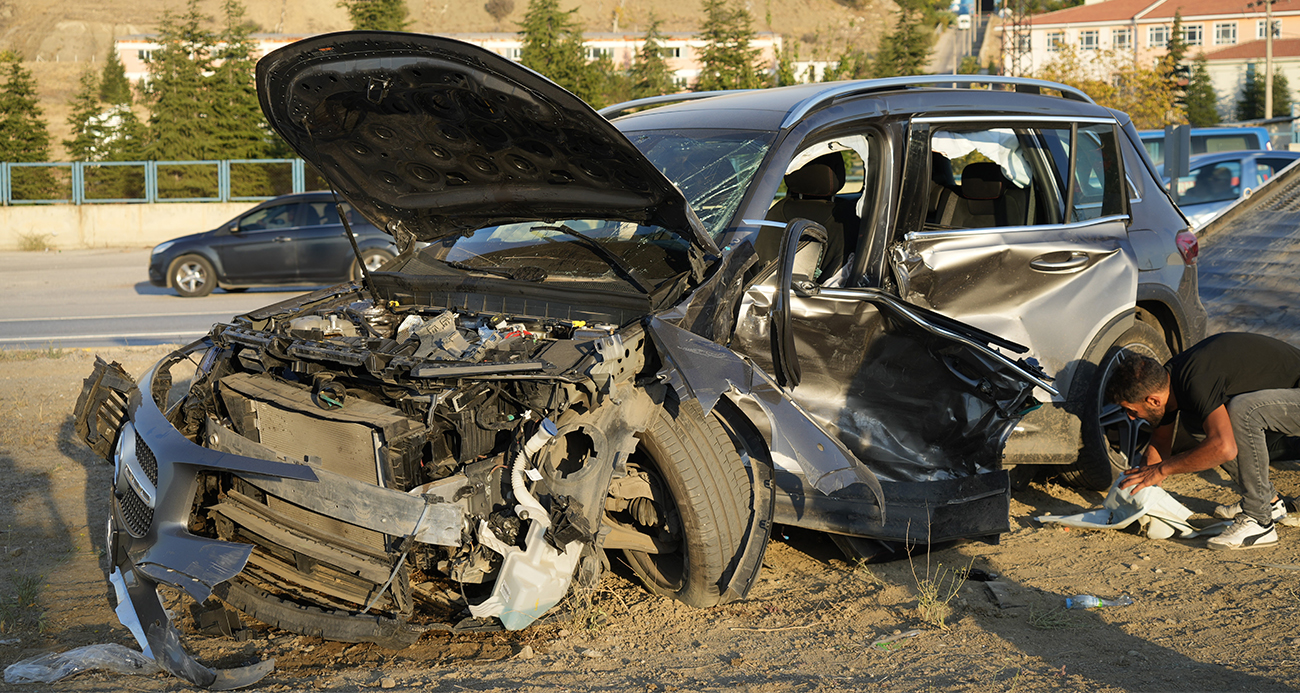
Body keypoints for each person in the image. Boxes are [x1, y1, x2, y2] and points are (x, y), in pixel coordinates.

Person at [1110, 332, 1300, 550]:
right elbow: (1160, 443)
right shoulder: (1169, 381)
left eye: (1131, 411)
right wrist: (1141, 493)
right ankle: (1269, 502)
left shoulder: (1195, 379)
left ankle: (1260, 521)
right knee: (1198, 424)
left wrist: (1162, 470)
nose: (1130, 418)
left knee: (1244, 411)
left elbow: (1224, 449)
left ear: (1153, 400)